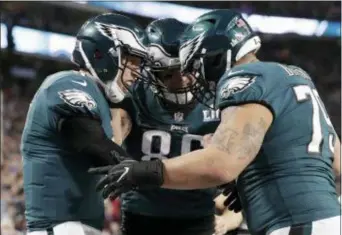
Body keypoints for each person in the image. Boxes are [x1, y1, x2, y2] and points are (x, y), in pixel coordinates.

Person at [89, 9, 341, 235]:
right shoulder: (296, 76)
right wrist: (254, 179)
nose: (195, 77)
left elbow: (222, 164)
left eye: (197, 65)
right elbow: (336, 162)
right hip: (326, 217)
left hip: (294, 223)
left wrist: (144, 171)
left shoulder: (245, 78)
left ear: (217, 56)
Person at [20, 13, 149, 235]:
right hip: (61, 227)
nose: (137, 72)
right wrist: (159, 176)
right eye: (133, 60)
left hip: (81, 227)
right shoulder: (69, 82)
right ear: (103, 54)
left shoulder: (100, 100)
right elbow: (95, 145)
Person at [109, 17, 226, 235]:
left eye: (185, 68)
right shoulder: (135, 94)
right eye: (169, 73)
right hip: (142, 214)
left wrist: (230, 215)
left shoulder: (219, 97)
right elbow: (114, 136)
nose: (181, 79)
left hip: (198, 215)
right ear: (152, 72)